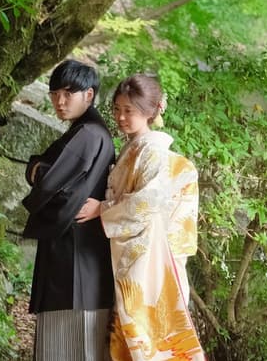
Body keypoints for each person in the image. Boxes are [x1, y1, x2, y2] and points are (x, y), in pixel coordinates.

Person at [76, 74, 204, 361]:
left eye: (129, 111)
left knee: (144, 337)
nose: (121, 117)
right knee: (132, 335)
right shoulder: (136, 147)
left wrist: (102, 209)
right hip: (135, 253)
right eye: (117, 109)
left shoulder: (151, 150)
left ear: (150, 111)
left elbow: (147, 201)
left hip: (148, 259)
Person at [22, 59, 118, 360]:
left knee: (70, 345)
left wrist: (39, 170)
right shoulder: (88, 130)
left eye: (68, 93)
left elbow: (49, 180)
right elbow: (46, 172)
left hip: (75, 251)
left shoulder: (88, 133)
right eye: (54, 94)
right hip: (79, 250)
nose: (59, 102)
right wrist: (40, 169)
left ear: (88, 95)